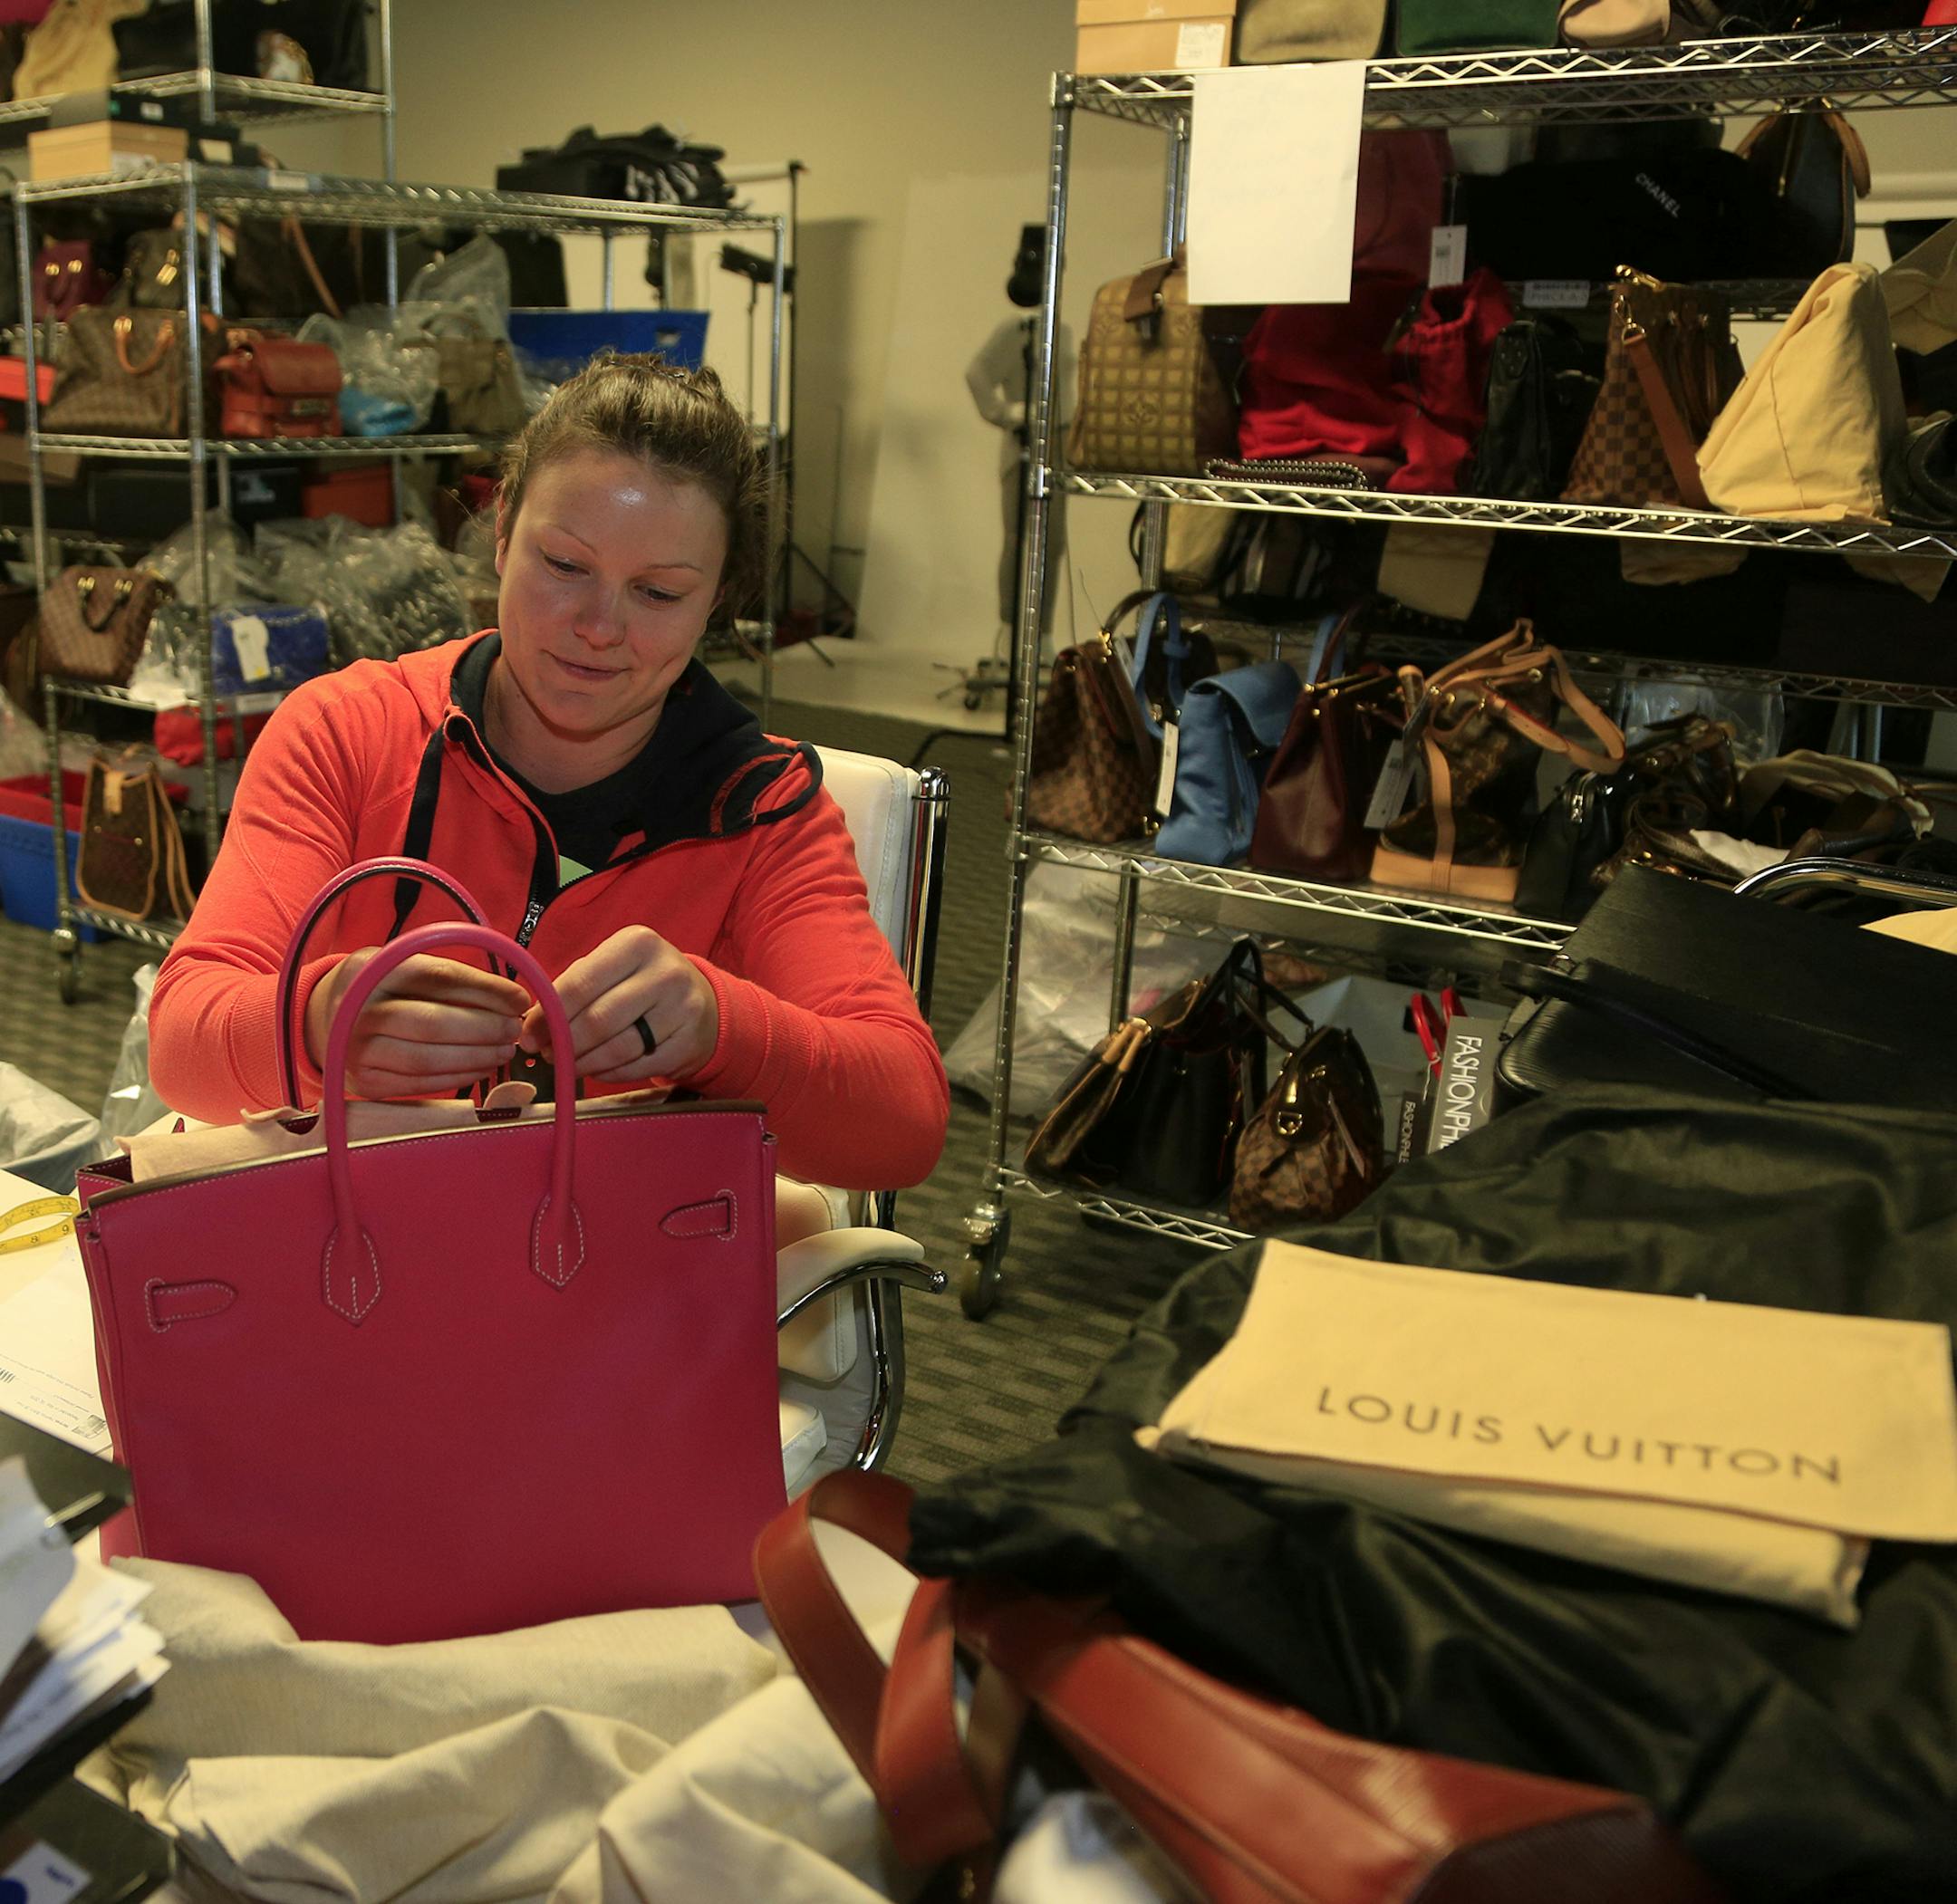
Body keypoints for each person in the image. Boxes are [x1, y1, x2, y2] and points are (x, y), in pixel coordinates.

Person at [149, 354, 949, 1191]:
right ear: (499, 541)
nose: (599, 627)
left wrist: (725, 1029)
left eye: (659, 593)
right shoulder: (348, 732)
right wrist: (315, 1023)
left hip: (602, 1279)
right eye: (565, 567)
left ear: (717, 602)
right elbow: (182, 1045)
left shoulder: (767, 814)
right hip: (350, 1249)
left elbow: (904, 1129)